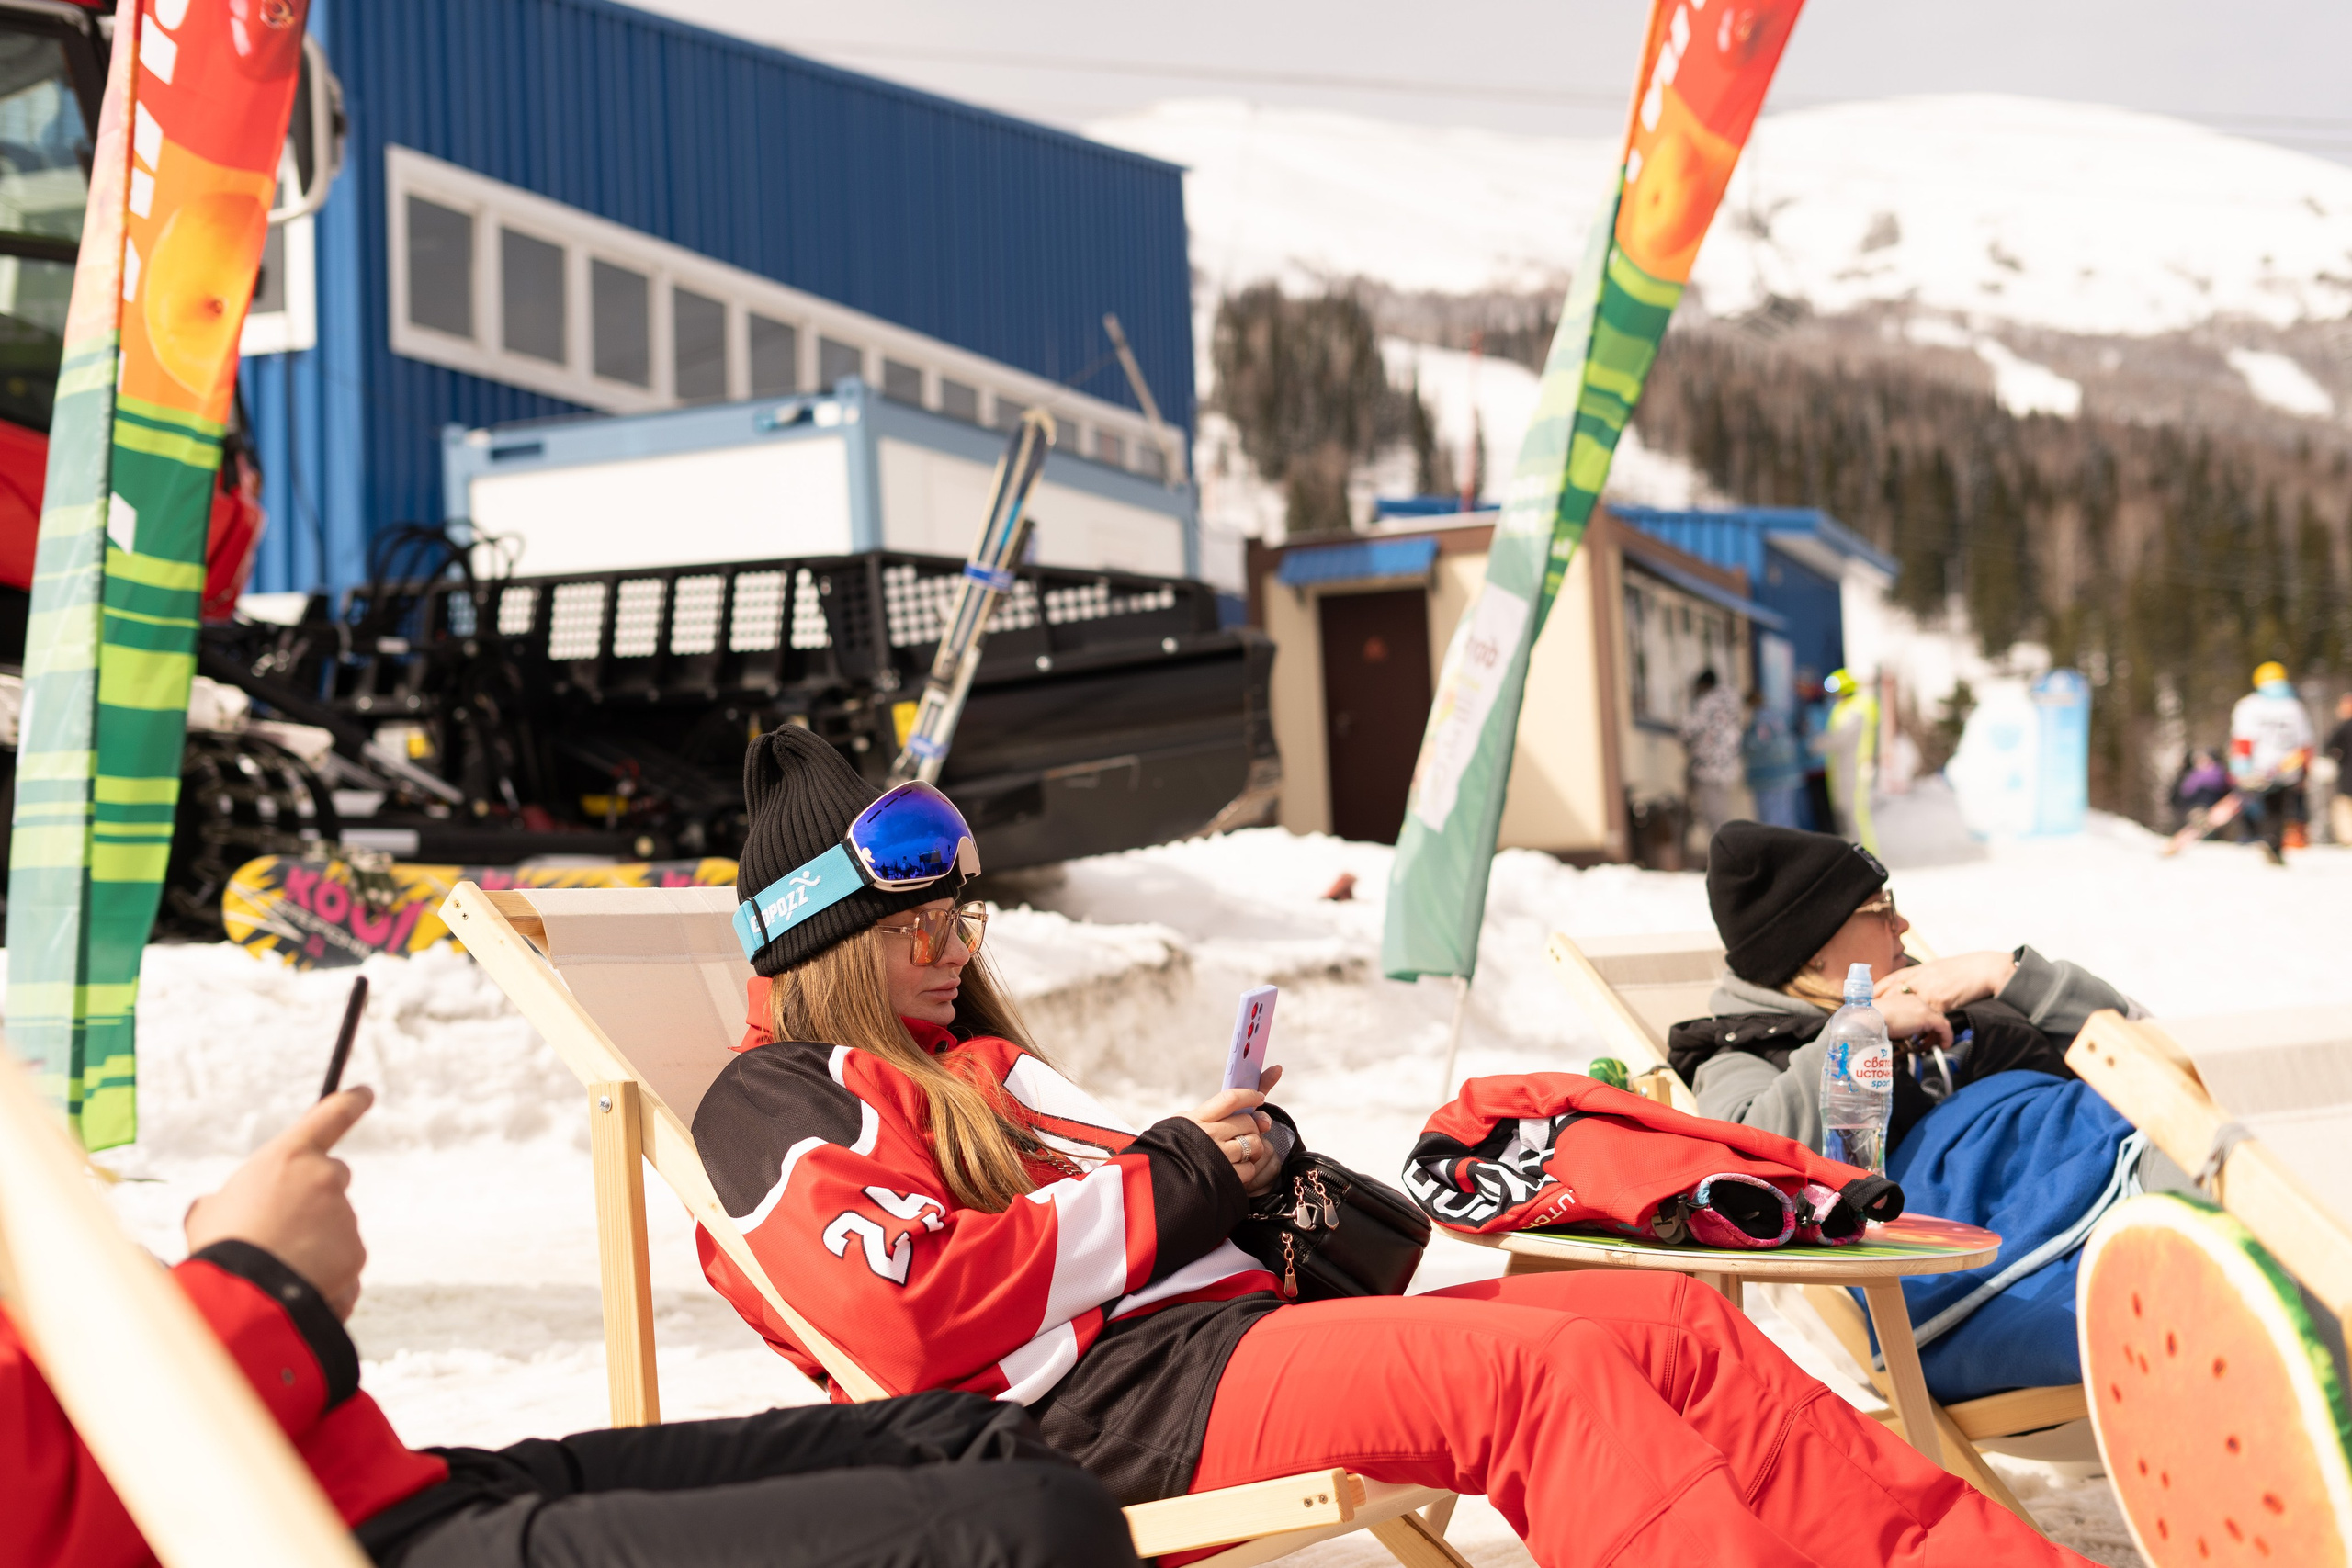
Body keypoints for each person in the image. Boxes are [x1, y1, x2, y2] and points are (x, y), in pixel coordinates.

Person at [689, 726, 2090, 1568]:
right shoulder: (774, 1101)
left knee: (1663, 1321)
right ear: (821, 953)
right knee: (1548, 1372)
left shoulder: (969, 1065)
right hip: (1110, 1417)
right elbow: (902, 1315)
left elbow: (1146, 1208)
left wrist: (1254, 1168)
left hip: (1217, 1352)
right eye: (908, 932)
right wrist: (1178, 1177)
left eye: (958, 922)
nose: (946, 952)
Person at [3, 1089, 1141, 1568]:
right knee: (1030, 1528)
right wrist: (259, 1283)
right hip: (298, 1540)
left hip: (366, 1480)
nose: (947, 950)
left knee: (965, 1439)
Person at [1666, 821, 2140, 1154]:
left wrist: (2007, 974)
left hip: (2116, 1135)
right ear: (1813, 948)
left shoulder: (1936, 987)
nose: (1904, 924)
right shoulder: (1739, 1057)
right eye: (1881, 910)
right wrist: (1857, 1034)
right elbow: (1747, 1160)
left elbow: (2141, 1042)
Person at [2228, 660, 2314, 865]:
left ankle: (2255, 838)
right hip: (2287, 767)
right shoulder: (2294, 706)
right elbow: (2305, 743)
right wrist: (2305, 770)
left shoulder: (2249, 705)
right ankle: (2273, 843)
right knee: (2278, 807)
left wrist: (2240, 768)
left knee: (2252, 804)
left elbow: (2243, 739)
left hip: (2258, 767)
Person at [1678, 667, 1747, 842]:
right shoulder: (1731, 703)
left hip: (1707, 765)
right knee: (1721, 812)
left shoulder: (1706, 703)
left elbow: (1689, 730)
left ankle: (1722, 852)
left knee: (1711, 814)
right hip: (1727, 767)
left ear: (1703, 685)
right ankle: (1726, 850)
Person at [1815, 668, 1879, 852]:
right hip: (1842, 769)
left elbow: (1840, 738)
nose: (1833, 696)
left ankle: (1867, 856)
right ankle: (1855, 854)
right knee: (1846, 815)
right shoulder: (1841, 708)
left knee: (1856, 816)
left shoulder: (1856, 709)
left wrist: (1817, 743)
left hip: (1855, 768)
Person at [1741, 689, 1806, 829]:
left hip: (1768, 777)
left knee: (1771, 817)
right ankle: (1792, 846)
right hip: (1788, 773)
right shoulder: (1778, 716)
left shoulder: (1759, 721)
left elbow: (1756, 745)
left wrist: (1743, 739)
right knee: (1787, 815)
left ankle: (1777, 849)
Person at [2323, 693, 2352, 845]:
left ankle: (2348, 839)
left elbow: (2329, 747)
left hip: (2348, 776)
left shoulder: (2345, 726)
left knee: (2344, 807)